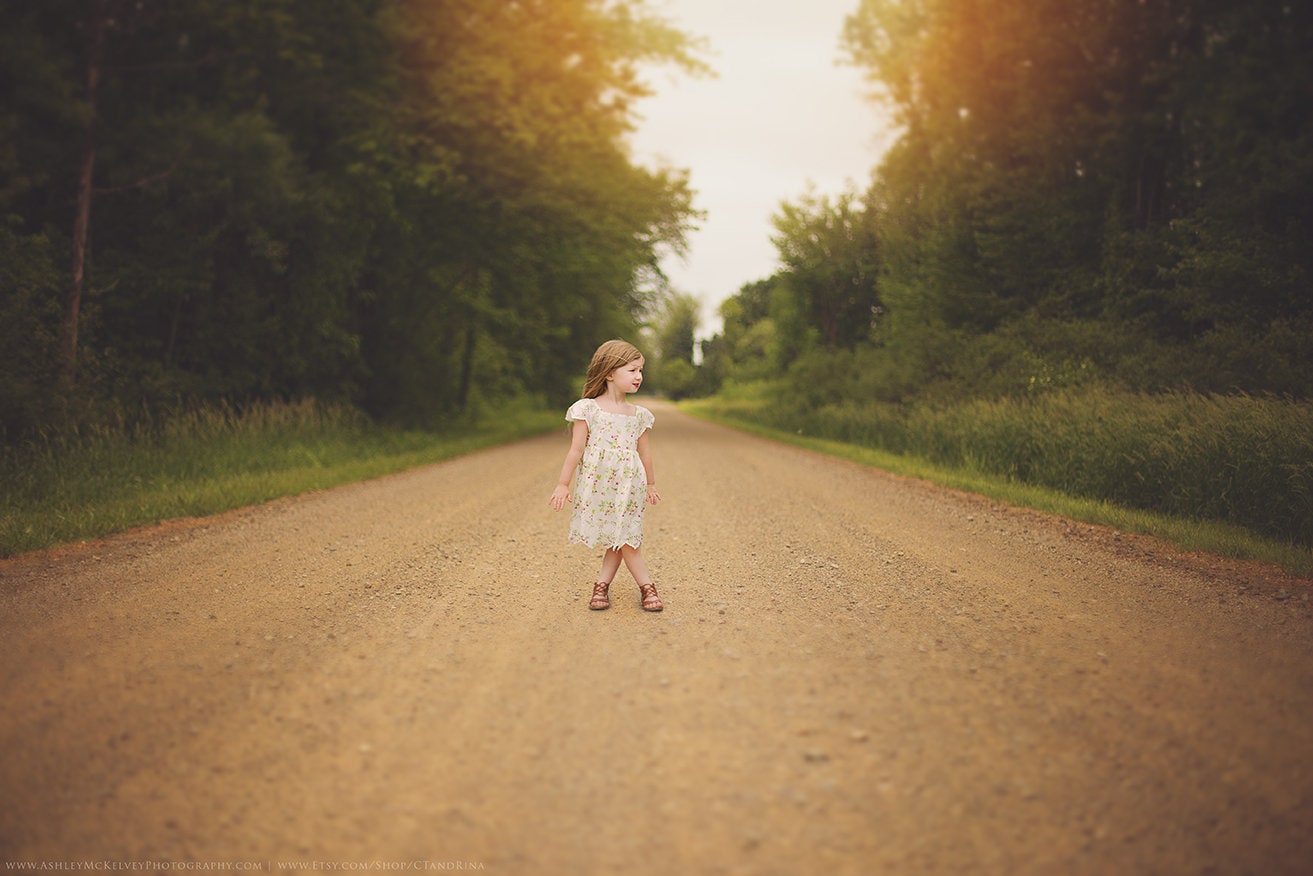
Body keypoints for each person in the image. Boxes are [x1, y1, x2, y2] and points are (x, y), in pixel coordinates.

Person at [548, 339, 664, 611]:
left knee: (626, 536)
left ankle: (646, 588)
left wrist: (651, 483)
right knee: (618, 536)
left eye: (640, 370)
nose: (639, 376)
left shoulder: (639, 415)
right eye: (632, 370)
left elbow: (645, 454)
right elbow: (576, 450)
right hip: (600, 486)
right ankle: (602, 586)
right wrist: (563, 484)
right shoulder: (587, 409)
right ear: (610, 373)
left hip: (630, 485)